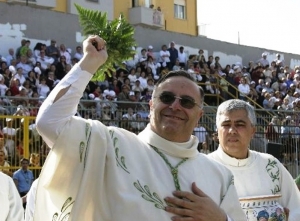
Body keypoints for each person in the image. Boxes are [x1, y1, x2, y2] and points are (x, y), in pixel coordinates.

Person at [35, 35, 246, 220]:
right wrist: (90, 63)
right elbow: (50, 122)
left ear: (199, 116)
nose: (175, 106)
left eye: (187, 102)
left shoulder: (220, 176)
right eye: (167, 97)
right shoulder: (110, 145)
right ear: (151, 104)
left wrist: (221, 219)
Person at [208, 99, 300, 220]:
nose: (232, 131)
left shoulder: (271, 164)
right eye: (226, 124)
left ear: (252, 131)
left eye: (240, 124)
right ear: (217, 130)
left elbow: (296, 208)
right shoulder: (205, 167)